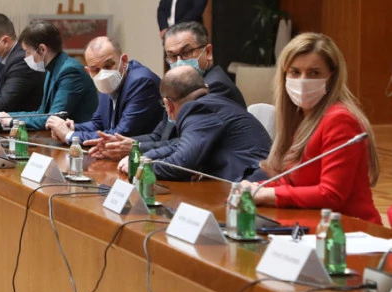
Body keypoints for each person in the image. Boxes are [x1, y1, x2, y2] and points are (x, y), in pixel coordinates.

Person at [242, 33, 381, 224]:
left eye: (314, 73)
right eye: (295, 72)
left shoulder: (340, 119)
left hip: (351, 230)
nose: (303, 80)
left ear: (332, 77)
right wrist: (255, 187)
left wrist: (267, 194)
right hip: (312, 223)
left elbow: (331, 195)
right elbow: (292, 182)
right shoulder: (298, 117)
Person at [86, 21, 245, 159]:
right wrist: (119, 143)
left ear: (208, 52)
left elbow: (188, 142)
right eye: (172, 56)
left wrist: (136, 148)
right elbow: (160, 135)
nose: (179, 61)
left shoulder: (216, 87)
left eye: (187, 52)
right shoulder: (182, 87)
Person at [117, 66, 271, 181]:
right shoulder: (211, 104)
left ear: (168, 104)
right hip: (245, 180)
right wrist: (145, 157)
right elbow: (179, 145)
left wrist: (140, 167)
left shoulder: (198, 110)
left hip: (253, 184)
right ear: (205, 88)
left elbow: (181, 164)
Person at [46, 36, 163, 144]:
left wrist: (70, 136)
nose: (103, 74)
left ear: (124, 61)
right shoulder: (105, 83)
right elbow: (98, 124)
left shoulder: (142, 83)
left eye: (108, 66)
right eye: (95, 70)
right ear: (88, 72)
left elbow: (121, 134)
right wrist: (71, 128)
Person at [0, 20, 98, 131]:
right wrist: (7, 116)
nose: (25, 57)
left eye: (28, 52)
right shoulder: (52, 68)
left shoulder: (70, 71)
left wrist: (12, 121)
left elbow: (54, 118)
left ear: (42, 49)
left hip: (80, 137)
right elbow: (41, 113)